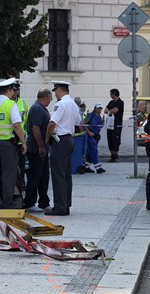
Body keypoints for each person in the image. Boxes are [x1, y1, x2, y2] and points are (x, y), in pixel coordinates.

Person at [45, 81, 82, 216]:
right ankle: (66, 205)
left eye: (55, 91)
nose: (55, 94)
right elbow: (78, 121)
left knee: (58, 175)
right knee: (66, 175)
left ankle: (60, 207)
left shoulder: (60, 104)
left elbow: (52, 123)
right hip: (69, 139)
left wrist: (47, 138)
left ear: (60, 90)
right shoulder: (73, 104)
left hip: (59, 141)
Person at [0, 78, 27, 213]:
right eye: (13, 90)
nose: (14, 93)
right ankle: (7, 204)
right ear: (9, 90)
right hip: (7, 144)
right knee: (8, 174)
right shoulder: (10, 105)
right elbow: (17, 125)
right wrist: (23, 142)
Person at [23, 88, 53, 212]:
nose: (51, 100)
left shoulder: (40, 108)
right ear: (45, 97)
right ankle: (29, 202)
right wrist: (41, 146)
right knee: (35, 176)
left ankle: (44, 202)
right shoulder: (37, 108)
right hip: (36, 149)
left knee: (43, 175)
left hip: (41, 148)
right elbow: (36, 128)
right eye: (50, 98)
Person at [13, 79, 30, 189]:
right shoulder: (7, 104)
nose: (15, 92)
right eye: (14, 89)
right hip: (8, 139)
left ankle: (21, 185)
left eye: (17, 90)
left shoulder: (23, 103)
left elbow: (27, 122)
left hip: (20, 141)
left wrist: (25, 138)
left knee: (21, 165)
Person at [84, 102, 105, 174]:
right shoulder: (90, 115)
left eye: (100, 108)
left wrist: (103, 123)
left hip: (96, 136)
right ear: (95, 108)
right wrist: (89, 132)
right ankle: (98, 167)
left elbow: (100, 127)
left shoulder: (99, 117)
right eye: (98, 108)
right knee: (94, 151)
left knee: (90, 152)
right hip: (90, 136)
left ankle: (86, 166)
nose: (100, 110)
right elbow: (84, 124)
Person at [104, 88, 124, 162]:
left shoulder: (120, 102)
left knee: (116, 139)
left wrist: (110, 110)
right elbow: (105, 110)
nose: (110, 95)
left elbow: (115, 110)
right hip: (110, 124)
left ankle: (116, 155)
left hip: (116, 124)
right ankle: (112, 155)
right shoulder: (111, 102)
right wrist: (110, 111)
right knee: (110, 139)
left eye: (111, 94)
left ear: (114, 94)